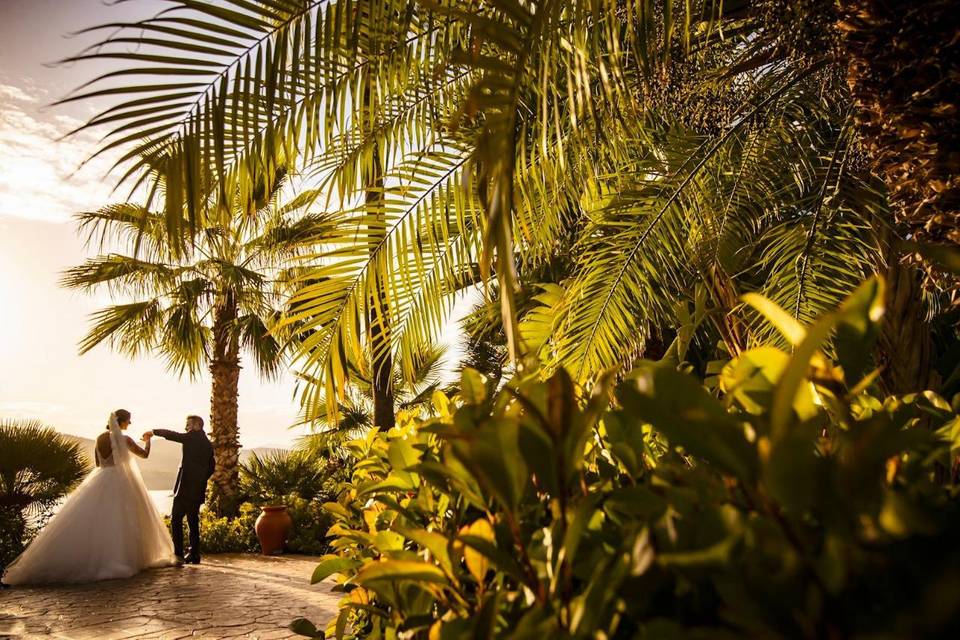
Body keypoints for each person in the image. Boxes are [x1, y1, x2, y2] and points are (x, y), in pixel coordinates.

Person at [2, 411, 176, 585]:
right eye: (128, 421)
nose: (130, 424)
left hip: (102, 478)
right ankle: (123, 558)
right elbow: (144, 455)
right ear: (122, 422)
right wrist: (148, 441)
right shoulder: (126, 440)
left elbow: (99, 463)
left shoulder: (100, 439)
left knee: (97, 519)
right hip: (121, 481)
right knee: (122, 519)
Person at [146, 415, 214, 564]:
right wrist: (200, 480)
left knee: (176, 520)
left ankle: (178, 554)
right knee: (193, 521)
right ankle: (195, 554)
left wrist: (154, 431)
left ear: (197, 425)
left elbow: (172, 435)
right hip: (197, 489)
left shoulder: (191, 438)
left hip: (184, 489)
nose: (186, 428)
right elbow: (211, 468)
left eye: (188, 425)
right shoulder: (208, 444)